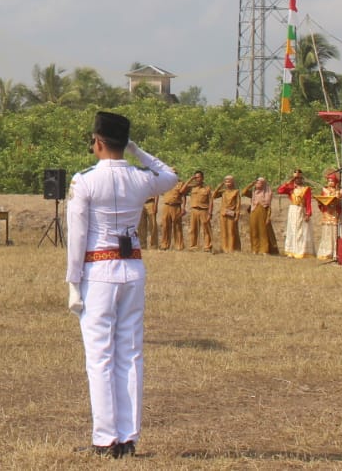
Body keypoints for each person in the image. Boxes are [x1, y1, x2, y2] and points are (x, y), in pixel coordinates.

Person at [65, 110, 178, 459]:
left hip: (98, 271)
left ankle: (105, 437)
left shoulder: (84, 180)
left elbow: (78, 236)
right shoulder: (140, 179)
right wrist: (136, 151)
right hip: (132, 268)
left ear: (98, 143)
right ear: (122, 143)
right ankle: (128, 437)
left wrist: (72, 282)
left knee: (99, 356)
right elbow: (170, 175)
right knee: (130, 353)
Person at [275, 170, 314, 258]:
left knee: (302, 231)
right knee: (293, 229)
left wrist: (308, 213)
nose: (298, 180)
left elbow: (308, 202)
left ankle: (301, 251)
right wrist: (289, 181)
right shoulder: (291, 189)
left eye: (299, 178)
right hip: (293, 210)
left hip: (302, 210)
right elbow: (280, 190)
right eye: (296, 178)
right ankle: (292, 251)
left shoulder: (306, 189)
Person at [241, 177, 279, 256]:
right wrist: (251, 185)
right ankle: (255, 249)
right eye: (257, 183)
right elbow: (243, 192)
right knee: (254, 232)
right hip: (253, 214)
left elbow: (268, 207)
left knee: (263, 232)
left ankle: (264, 250)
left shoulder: (267, 194)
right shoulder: (253, 193)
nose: (258, 184)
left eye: (260, 183)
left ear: (264, 184)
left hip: (263, 215)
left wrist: (268, 217)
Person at [313, 170, 342, 261]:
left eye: (332, 181)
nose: (330, 183)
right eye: (329, 181)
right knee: (327, 233)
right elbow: (322, 202)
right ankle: (326, 252)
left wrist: (338, 200)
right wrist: (320, 201)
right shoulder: (324, 190)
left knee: (335, 232)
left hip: (335, 213)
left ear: (336, 182)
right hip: (327, 213)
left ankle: (336, 252)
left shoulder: (340, 191)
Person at [184, 172, 214, 252]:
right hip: (194, 210)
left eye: (199, 177)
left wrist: (210, 213)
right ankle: (193, 246)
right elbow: (183, 189)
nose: (197, 179)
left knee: (206, 229)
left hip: (204, 210)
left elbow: (211, 201)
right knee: (193, 229)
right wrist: (191, 179)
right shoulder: (192, 187)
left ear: (202, 178)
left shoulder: (207, 188)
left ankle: (207, 246)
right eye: (196, 177)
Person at [158, 179, 187, 251]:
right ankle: (164, 245)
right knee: (165, 226)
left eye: (175, 173)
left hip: (176, 206)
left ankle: (179, 246)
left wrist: (183, 208)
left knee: (177, 226)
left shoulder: (180, 183)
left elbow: (183, 196)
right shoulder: (165, 183)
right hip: (166, 206)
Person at [216, 176, 241, 253]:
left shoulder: (236, 192)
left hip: (231, 213)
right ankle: (224, 247)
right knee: (224, 231)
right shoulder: (223, 192)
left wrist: (237, 215)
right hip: (223, 213)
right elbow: (213, 196)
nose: (227, 183)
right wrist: (219, 186)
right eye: (226, 181)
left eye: (229, 181)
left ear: (233, 182)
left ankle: (232, 248)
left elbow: (238, 204)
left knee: (231, 231)